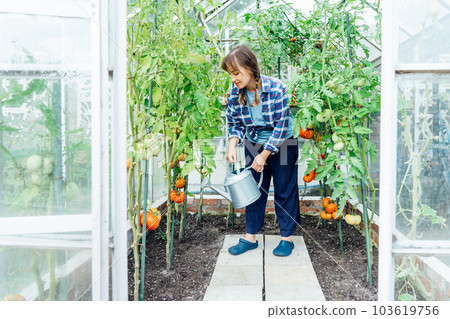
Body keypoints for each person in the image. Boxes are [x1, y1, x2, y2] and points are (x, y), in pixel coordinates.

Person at [221, 44, 300, 257]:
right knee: (253, 190)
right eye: (230, 74)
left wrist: (264, 154)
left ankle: (286, 238)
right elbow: (234, 122)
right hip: (253, 142)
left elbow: (282, 125)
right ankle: (250, 237)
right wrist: (232, 145)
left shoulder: (276, 88)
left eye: (236, 73)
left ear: (250, 68)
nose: (233, 79)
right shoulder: (234, 93)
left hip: (283, 141)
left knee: (284, 189)